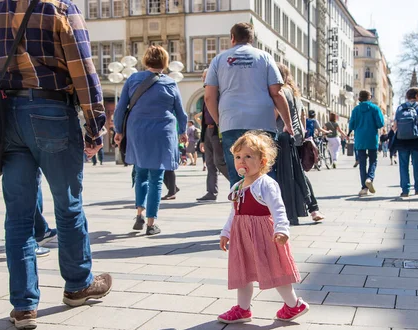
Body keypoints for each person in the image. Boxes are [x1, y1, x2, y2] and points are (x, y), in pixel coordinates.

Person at [0, 0, 113, 330]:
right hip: (51, 110)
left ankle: (24, 305)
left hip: (7, 115)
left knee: (18, 216)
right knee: (68, 206)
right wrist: (95, 123)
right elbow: (82, 67)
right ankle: (78, 284)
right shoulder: (59, 8)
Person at [218, 132, 309, 323]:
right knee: (243, 272)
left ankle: (293, 305)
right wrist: (226, 232)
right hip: (242, 236)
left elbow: (278, 209)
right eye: (238, 157)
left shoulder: (265, 184)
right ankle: (243, 309)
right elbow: (234, 212)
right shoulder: (237, 186)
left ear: (262, 161)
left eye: (248, 156)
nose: (242, 161)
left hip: (263, 236)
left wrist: (282, 230)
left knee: (275, 271)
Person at [204, 22, 294, 187]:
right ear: (252, 39)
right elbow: (277, 92)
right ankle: (267, 210)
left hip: (231, 121)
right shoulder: (265, 57)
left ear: (232, 38)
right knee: (264, 171)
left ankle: (241, 211)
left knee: (237, 172)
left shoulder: (219, 59)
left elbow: (209, 97)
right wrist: (288, 124)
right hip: (262, 122)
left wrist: (219, 121)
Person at [114, 46, 187, 236]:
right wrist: (184, 132)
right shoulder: (170, 83)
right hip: (162, 134)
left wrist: (118, 131)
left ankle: (139, 213)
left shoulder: (133, 79)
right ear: (165, 62)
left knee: (140, 174)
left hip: (138, 132)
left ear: (146, 60)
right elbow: (180, 112)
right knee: (156, 178)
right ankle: (151, 223)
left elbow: (120, 109)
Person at [274, 63, 324, 224]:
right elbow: (302, 117)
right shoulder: (294, 93)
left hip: (283, 136)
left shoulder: (281, 92)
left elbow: (274, 115)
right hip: (295, 137)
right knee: (298, 173)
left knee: (294, 174)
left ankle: (311, 208)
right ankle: (312, 208)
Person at [195, 69, 229, 202]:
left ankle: (239, 186)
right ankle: (211, 192)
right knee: (209, 163)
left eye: (205, 77)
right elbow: (204, 118)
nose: (204, 80)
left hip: (217, 130)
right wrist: (202, 139)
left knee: (219, 161)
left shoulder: (219, 93)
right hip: (208, 131)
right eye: (203, 77)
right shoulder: (207, 94)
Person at [392, 87, 418, 198]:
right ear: (417, 96)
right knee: (417, 164)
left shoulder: (400, 108)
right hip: (417, 139)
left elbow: (395, 126)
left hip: (402, 139)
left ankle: (405, 190)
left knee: (403, 165)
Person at [348, 90, 385, 197]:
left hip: (360, 138)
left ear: (360, 98)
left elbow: (352, 125)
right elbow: (380, 123)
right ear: (369, 97)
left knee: (362, 163)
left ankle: (364, 188)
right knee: (373, 160)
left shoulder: (356, 109)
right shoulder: (375, 108)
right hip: (372, 138)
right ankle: (370, 178)